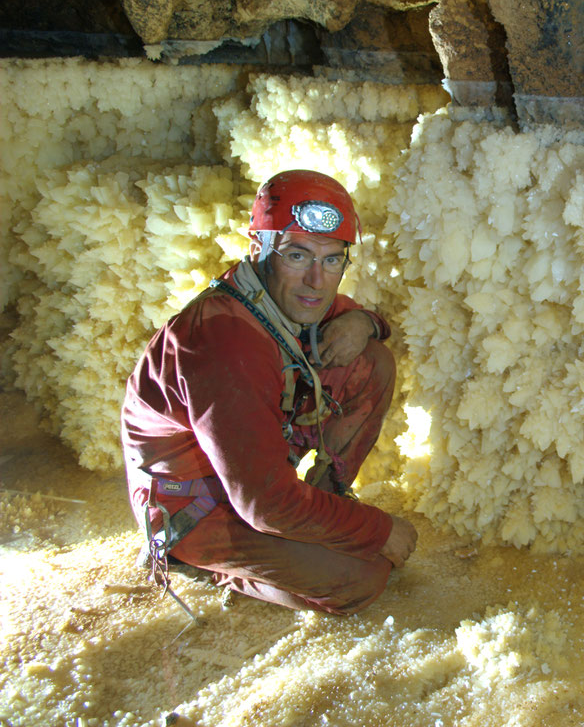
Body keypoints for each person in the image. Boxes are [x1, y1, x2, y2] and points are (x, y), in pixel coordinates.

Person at [121, 169, 417, 614]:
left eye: (333, 260)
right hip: (197, 506)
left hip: (246, 469)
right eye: (297, 256)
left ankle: (326, 499)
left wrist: (366, 322)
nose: (316, 280)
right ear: (258, 249)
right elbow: (267, 504)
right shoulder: (225, 343)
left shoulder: (273, 294)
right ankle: (199, 562)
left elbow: (342, 312)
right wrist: (377, 529)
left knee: (371, 361)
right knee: (361, 577)